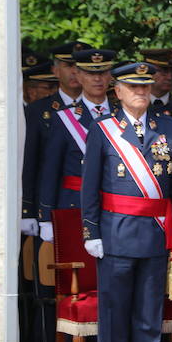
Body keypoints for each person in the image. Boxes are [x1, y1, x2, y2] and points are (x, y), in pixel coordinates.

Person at [81, 61, 172, 342]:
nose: (141, 92)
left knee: (148, 312)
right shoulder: (104, 129)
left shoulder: (168, 126)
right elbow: (90, 186)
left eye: (145, 86)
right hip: (117, 232)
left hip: (156, 231)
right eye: (133, 87)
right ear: (118, 92)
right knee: (114, 311)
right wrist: (91, 232)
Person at [37, 49, 118, 239]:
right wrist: (46, 216)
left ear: (110, 76)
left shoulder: (122, 114)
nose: (97, 79)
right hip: (75, 204)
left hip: (115, 205)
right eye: (90, 73)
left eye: (103, 73)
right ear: (79, 76)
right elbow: (51, 170)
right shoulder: (64, 118)